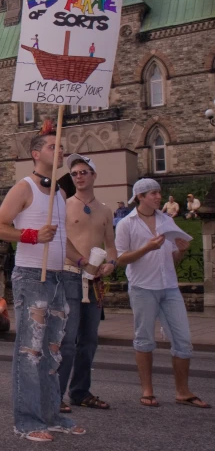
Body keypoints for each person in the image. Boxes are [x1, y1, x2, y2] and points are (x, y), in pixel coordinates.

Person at [0, 123, 87, 442]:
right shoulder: (24, 188)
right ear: (35, 154)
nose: (59, 150)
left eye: (60, 147)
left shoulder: (59, 192)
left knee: (53, 351)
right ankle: (27, 420)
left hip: (58, 278)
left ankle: (51, 414)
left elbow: (61, 238)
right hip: (32, 277)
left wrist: (83, 261)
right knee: (30, 351)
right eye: (52, 147)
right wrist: (30, 235)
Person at [116, 178, 210, 409]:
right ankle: (147, 390)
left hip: (169, 286)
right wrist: (146, 248)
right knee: (144, 339)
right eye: (152, 193)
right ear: (140, 197)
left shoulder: (167, 220)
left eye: (159, 192)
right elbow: (120, 259)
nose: (158, 197)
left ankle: (183, 391)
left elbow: (172, 260)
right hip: (142, 287)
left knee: (183, 340)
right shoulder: (127, 223)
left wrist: (180, 251)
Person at [58, 154, 115, 413]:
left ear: (93, 175)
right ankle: (55, 393)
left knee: (89, 340)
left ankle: (80, 391)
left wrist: (110, 264)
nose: (79, 176)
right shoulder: (64, 205)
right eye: (75, 173)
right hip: (70, 274)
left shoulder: (105, 210)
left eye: (83, 172)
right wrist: (82, 262)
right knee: (67, 340)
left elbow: (111, 247)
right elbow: (59, 241)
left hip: (94, 281)